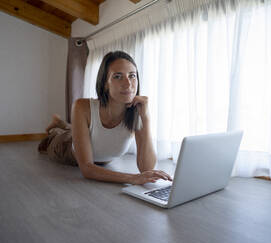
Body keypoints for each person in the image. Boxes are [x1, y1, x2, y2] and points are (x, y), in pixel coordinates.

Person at [38, 51, 172, 185]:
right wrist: (132, 178)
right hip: (65, 148)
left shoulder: (138, 110)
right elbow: (87, 168)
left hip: (102, 159)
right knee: (56, 138)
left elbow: (146, 168)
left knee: (79, 131)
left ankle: (62, 123)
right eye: (118, 76)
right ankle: (57, 127)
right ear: (105, 84)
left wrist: (146, 118)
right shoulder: (82, 106)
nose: (128, 83)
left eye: (132, 75)